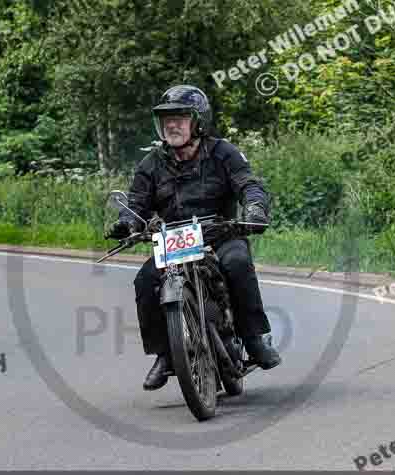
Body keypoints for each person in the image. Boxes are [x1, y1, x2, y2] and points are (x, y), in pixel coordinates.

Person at [106, 85, 281, 391]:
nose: (171, 125)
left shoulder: (223, 152)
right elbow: (136, 205)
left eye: (180, 117)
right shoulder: (150, 164)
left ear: (198, 121)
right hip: (174, 242)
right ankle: (166, 354)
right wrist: (127, 223)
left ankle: (253, 339)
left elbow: (249, 184)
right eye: (166, 119)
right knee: (146, 280)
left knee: (238, 263)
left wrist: (254, 209)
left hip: (221, 234)